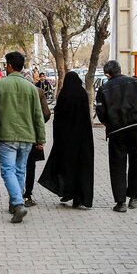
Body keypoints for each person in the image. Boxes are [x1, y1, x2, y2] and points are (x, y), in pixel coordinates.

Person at [0, 52, 46, 224]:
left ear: (9, 66)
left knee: (7, 170)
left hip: (6, 136)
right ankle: (14, 203)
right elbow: (38, 116)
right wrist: (40, 138)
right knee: (19, 170)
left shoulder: (0, 85)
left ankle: (18, 204)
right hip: (27, 137)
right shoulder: (32, 88)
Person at [95, 59, 137, 212]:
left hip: (116, 133)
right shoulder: (136, 82)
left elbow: (101, 114)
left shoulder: (104, 89)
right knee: (136, 163)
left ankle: (120, 203)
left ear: (108, 74)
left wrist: (111, 124)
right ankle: (134, 198)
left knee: (117, 165)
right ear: (120, 69)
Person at [38, 71, 94, 209]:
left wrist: (58, 138)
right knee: (81, 168)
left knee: (66, 167)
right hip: (82, 140)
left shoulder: (64, 95)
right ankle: (80, 197)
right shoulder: (82, 94)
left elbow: (58, 117)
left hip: (66, 141)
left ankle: (68, 191)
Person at [21, 79, 52, 206]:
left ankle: (16, 194)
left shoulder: (10, 90)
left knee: (15, 166)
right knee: (30, 166)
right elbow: (46, 113)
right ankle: (27, 195)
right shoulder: (38, 92)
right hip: (32, 135)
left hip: (13, 134)